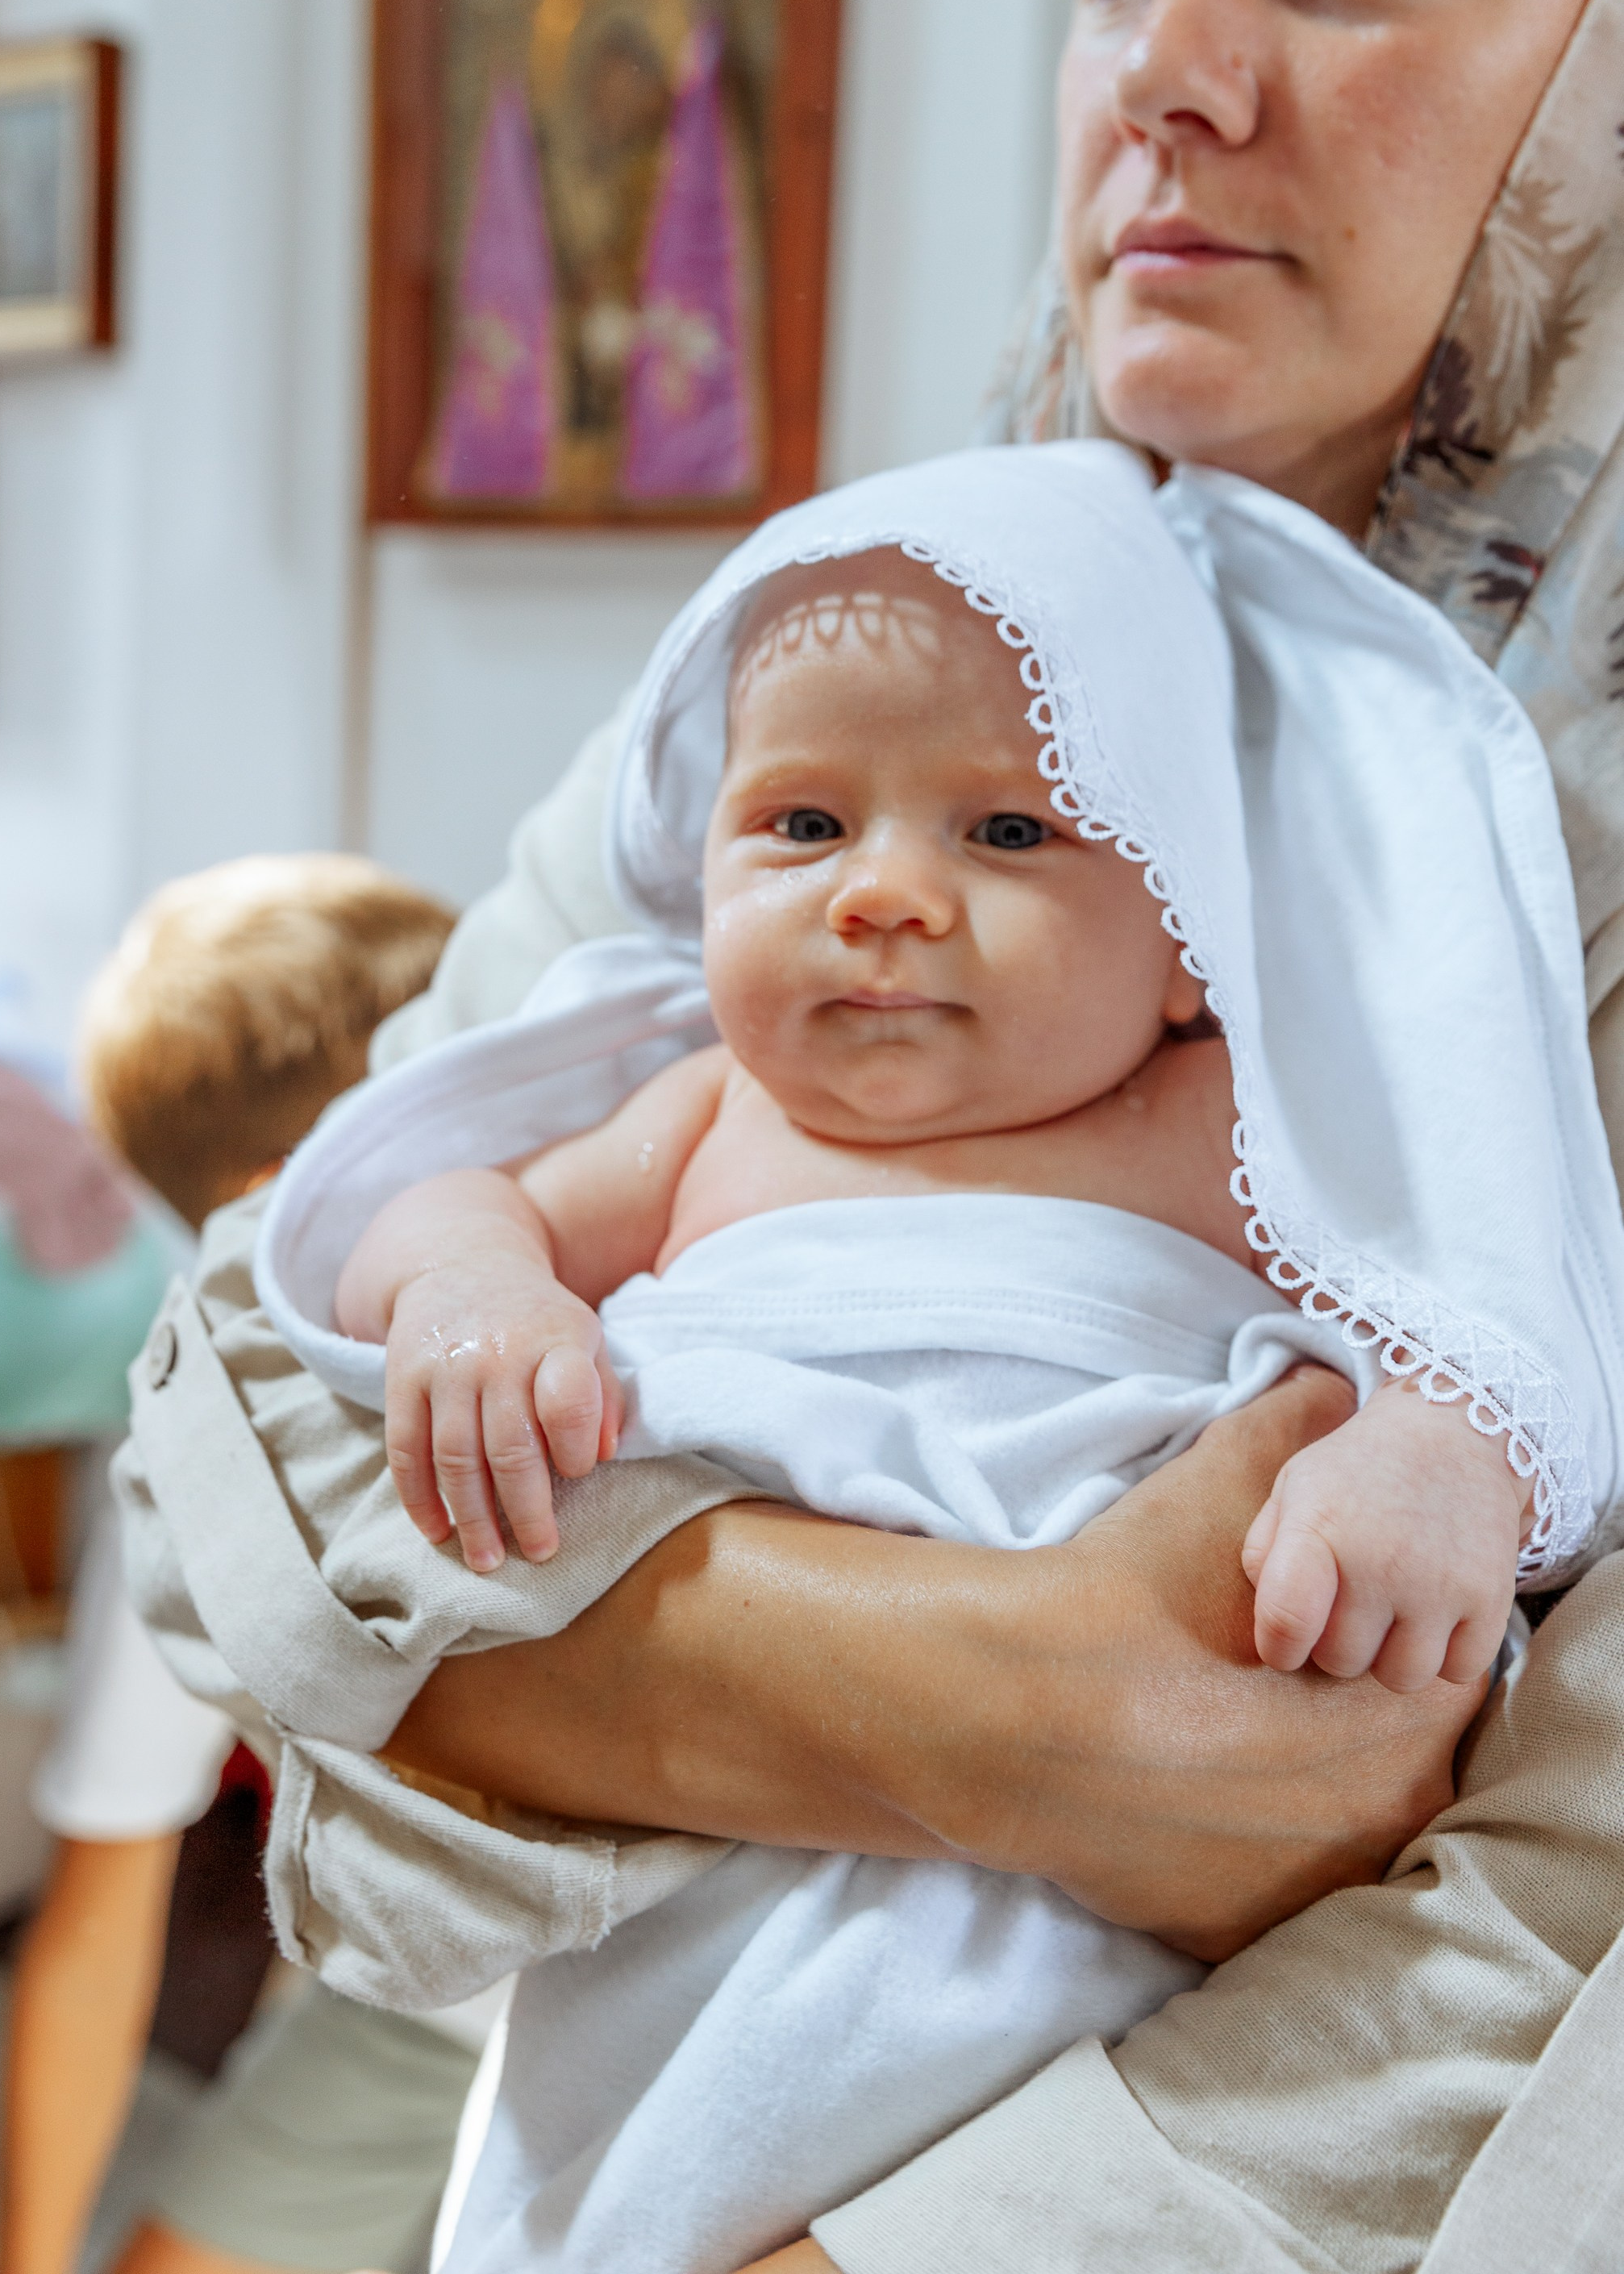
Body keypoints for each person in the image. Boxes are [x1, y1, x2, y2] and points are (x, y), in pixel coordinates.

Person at [117, 0, 1624, 2264]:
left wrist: (548, 1675)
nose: (1165, 71)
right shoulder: (877, 630)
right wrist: (1038, 1709)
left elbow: (1535, 1933)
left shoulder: (1529, 853)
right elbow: (245, 1438)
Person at [280, 432, 1618, 2274]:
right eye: (803, 822)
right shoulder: (701, 1113)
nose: (880, 893)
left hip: (1103, 1915)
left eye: (1004, 830)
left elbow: (1470, 1313)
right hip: (731, 1847)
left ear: (1182, 932)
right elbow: (436, 1205)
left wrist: (1427, 1457)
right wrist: (476, 1299)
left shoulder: (1232, 1128)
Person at [0, 854, 500, 2274]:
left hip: (701, 2010)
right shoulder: (204, 1460)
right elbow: (99, 1930)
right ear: (288, 1203)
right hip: (424, 2017)